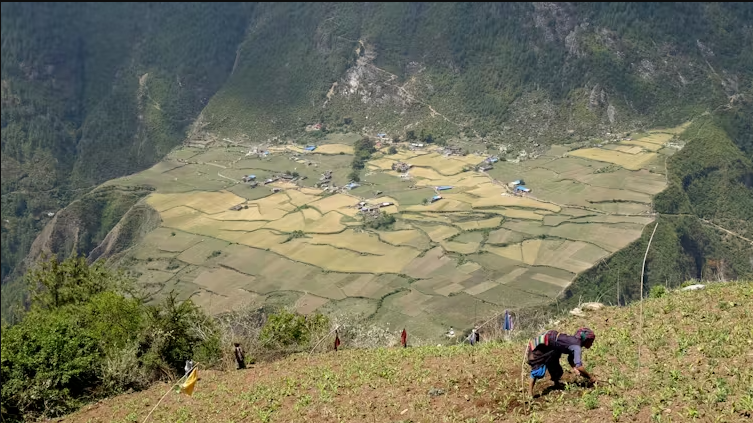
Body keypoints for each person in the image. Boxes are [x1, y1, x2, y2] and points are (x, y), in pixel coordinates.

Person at [526, 327, 597, 397]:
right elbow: (579, 366)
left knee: (556, 368)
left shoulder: (576, 342)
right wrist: (590, 377)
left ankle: (556, 384)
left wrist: (574, 368)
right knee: (538, 371)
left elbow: (570, 358)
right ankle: (529, 393)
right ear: (586, 340)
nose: (591, 344)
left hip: (552, 346)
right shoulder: (576, 347)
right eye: (591, 342)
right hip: (541, 345)